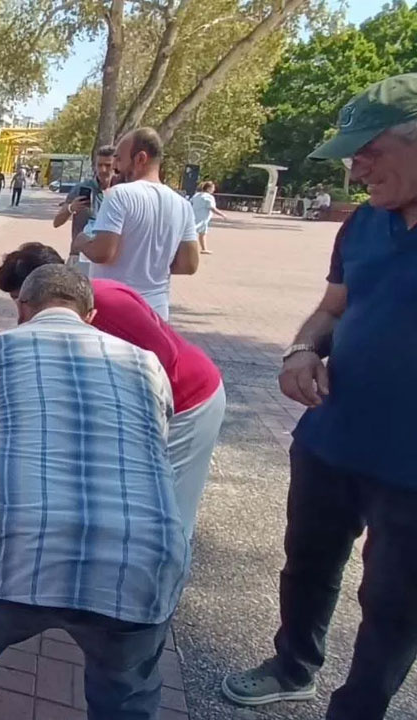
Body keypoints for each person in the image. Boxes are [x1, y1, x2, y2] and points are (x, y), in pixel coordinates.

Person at [221, 73, 417, 720]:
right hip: (330, 439)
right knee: (306, 567)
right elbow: (332, 308)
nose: (357, 169)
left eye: (370, 151)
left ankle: (357, 709)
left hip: (409, 470)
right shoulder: (361, 224)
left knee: (394, 603)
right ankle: (293, 665)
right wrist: (302, 348)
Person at [0, 264, 187, 720]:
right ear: (91, 313)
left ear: (22, 308)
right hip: (142, 558)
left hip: (11, 552)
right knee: (125, 697)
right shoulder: (145, 364)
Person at [0, 241, 225, 540]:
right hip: (163, 400)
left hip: (188, 400)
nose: (20, 313)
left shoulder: (105, 304)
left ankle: (162, 576)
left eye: (20, 299)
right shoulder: (75, 309)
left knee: (167, 507)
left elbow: (161, 361)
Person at [74, 127, 200, 320]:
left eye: (120, 159)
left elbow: (102, 253)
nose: (116, 167)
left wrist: (81, 241)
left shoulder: (119, 195)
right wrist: (153, 264)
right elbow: (189, 265)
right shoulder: (183, 205)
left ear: (140, 158)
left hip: (115, 308)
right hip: (157, 312)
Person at [54, 145, 117, 240]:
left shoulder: (122, 191)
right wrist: (71, 208)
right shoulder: (81, 188)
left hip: (108, 252)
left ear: (116, 166)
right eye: (99, 165)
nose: (102, 170)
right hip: (79, 252)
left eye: (108, 165)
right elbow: (56, 223)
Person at [189, 181, 226, 254]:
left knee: (202, 233)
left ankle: (204, 249)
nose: (214, 189)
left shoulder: (197, 195)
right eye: (213, 188)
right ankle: (188, 249)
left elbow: (191, 202)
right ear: (209, 188)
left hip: (196, 216)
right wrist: (222, 214)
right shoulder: (209, 197)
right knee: (192, 233)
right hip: (201, 218)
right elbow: (212, 208)